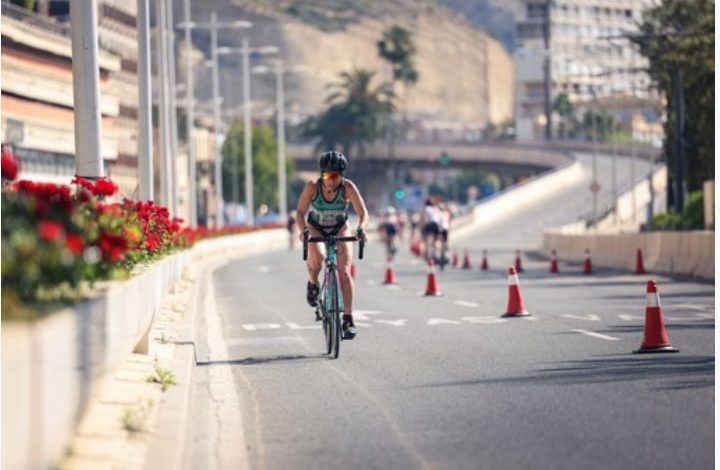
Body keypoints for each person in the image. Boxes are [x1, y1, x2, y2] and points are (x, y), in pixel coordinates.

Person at [295, 150, 369, 340]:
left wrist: (361, 228)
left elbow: (363, 213)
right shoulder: (313, 187)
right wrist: (303, 230)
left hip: (340, 228)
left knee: (344, 271)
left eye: (336, 176)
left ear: (342, 176)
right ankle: (313, 282)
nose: (332, 180)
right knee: (318, 260)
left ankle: (348, 318)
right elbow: (300, 212)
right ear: (322, 175)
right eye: (328, 175)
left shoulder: (348, 188)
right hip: (316, 227)